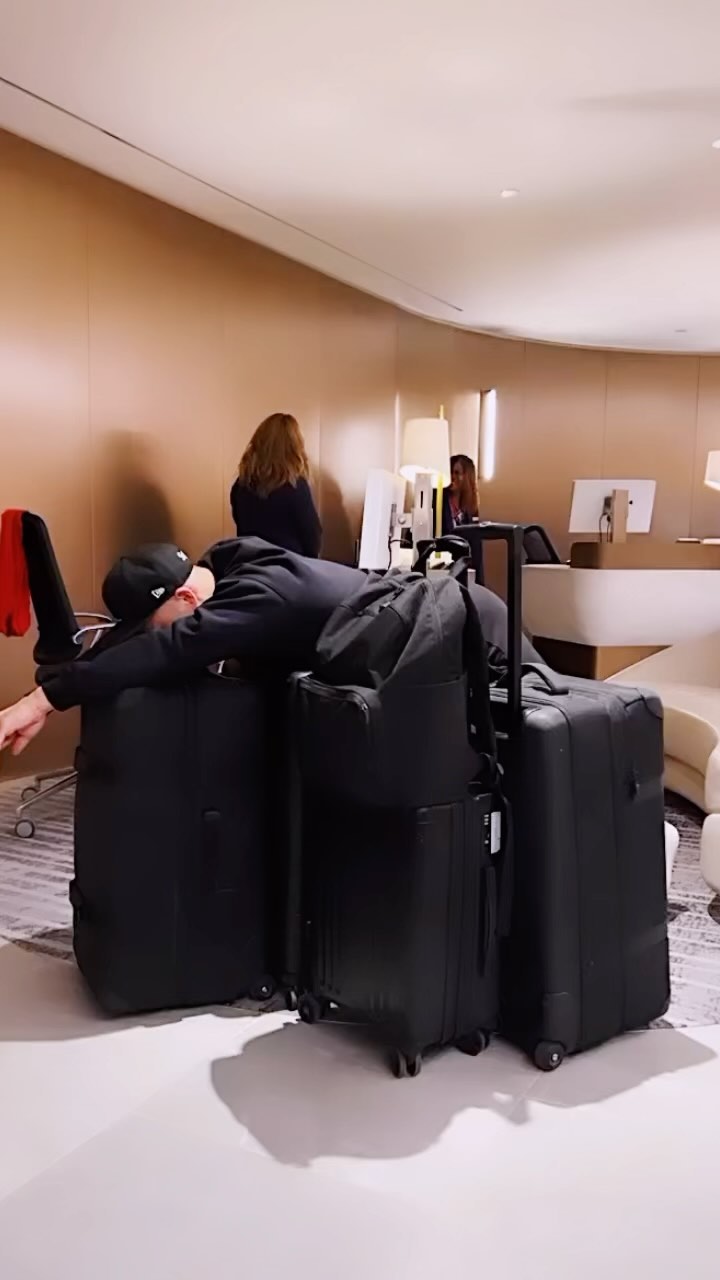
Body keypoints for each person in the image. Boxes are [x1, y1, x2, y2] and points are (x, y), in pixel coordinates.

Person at [0, 539, 539, 756]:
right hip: (438, 632)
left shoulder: (260, 598)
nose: (162, 635)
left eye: (159, 625)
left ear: (186, 597)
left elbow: (167, 650)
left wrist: (41, 702)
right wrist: (48, 690)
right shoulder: (227, 566)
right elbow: (139, 643)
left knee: (543, 750)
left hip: (471, 630)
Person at [230, 412, 322, 557]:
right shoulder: (296, 487)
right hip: (288, 566)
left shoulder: (241, 486)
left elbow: (242, 531)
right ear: (293, 448)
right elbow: (313, 540)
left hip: (249, 564)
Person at [441, 454, 479, 534]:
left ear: (467, 477)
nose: (452, 477)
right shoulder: (440, 502)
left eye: (457, 473)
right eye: (450, 472)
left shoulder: (469, 507)